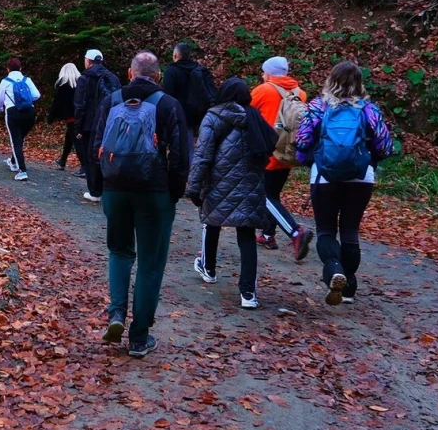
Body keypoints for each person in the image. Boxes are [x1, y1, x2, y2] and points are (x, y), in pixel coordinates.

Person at [93, 51, 189, 357]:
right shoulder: (169, 105)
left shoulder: (111, 102)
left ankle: (116, 314)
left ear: (130, 73)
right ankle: (139, 337)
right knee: (150, 262)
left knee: (119, 252)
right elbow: (181, 157)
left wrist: (101, 186)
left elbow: (96, 145)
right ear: (158, 76)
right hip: (154, 192)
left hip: (115, 189)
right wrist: (172, 192)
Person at [294, 60, 394, 306]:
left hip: (324, 176)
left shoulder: (319, 106)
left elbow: (302, 141)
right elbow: (385, 146)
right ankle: (348, 287)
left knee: (326, 230)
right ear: (359, 83)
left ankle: (334, 270)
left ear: (331, 80)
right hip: (361, 177)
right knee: (350, 231)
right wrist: (369, 159)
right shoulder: (369, 109)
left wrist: (310, 159)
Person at [186, 77, 279, 310]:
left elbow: (203, 155)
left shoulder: (214, 117)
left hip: (218, 183)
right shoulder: (254, 117)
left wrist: (194, 186)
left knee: (211, 222)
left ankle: (208, 267)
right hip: (250, 185)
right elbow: (271, 143)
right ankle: (248, 293)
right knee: (246, 237)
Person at [251, 56, 315, 258]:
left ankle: (295, 232)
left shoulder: (262, 90)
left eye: (264, 72)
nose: (262, 75)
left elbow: (247, 114)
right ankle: (268, 235)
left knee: (264, 196)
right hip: (288, 152)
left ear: (269, 73)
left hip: (267, 152)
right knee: (273, 194)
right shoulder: (300, 93)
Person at [73, 49, 121, 201]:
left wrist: (78, 127)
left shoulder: (84, 78)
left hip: (90, 123)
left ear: (88, 61)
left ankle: (94, 191)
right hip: (110, 121)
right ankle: (108, 187)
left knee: (91, 156)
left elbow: (79, 105)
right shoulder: (112, 77)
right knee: (108, 154)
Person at [0, 57, 41, 182]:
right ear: (20, 68)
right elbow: (37, 95)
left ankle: (22, 171)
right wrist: (25, 100)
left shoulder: (5, 81)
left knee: (16, 141)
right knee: (20, 139)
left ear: (7, 69)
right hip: (30, 113)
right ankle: (14, 162)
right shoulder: (27, 80)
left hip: (13, 112)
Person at [162, 42, 216, 137]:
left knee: (185, 147)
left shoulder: (171, 71)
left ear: (175, 55)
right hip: (200, 114)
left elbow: (167, 95)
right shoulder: (199, 69)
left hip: (180, 115)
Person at [49, 62, 81, 170]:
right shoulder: (81, 85)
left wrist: (51, 117)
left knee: (77, 141)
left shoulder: (63, 87)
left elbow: (57, 103)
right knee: (70, 137)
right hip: (81, 116)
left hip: (71, 117)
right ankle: (63, 159)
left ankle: (84, 167)